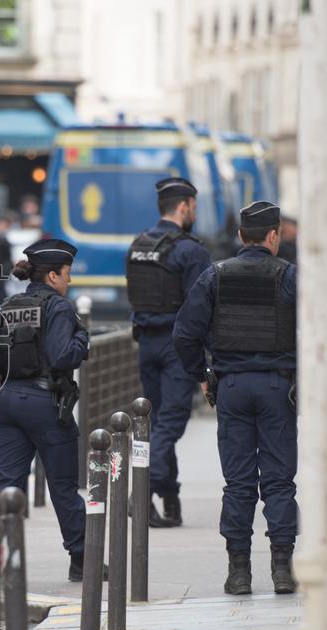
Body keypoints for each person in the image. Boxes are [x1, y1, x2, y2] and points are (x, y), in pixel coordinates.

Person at [173, 201, 297, 595]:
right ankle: (282, 570)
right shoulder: (290, 276)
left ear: (241, 237)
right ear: (274, 236)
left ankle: (239, 572)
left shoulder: (215, 275)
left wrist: (204, 376)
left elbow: (184, 335)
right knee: (279, 481)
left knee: (238, 483)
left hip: (232, 388)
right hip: (278, 388)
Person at [0, 238, 90, 581]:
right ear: (51, 277)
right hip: (46, 403)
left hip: (8, 400)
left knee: (7, 483)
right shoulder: (58, 307)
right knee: (62, 486)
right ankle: (81, 560)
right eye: (67, 274)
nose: (70, 281)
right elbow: (63, 355)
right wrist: (83, 337)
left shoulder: (8, 304)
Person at [126, 177, 211, 527]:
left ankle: (169, 500)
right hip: (177, 345)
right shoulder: (191, 251)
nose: (195, 212)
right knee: (171, 424)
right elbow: (201, 310)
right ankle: (140, 495)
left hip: (147, 343)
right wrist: (206, 366)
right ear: (184, 206)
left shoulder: (137, 245)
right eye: (193, 206)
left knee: (158, 422)